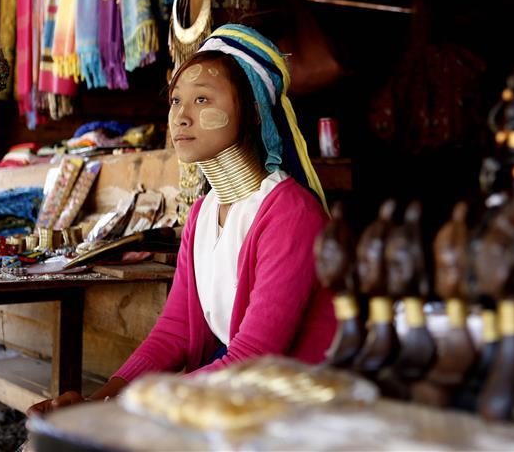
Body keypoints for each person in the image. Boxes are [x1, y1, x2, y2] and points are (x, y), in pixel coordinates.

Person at [28, 24, 336, 414]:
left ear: (255, 111)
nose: (181, 117)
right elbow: (176, 328)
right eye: (175, 101)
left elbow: (254, 358)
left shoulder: (290, 214)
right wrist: (101, 399)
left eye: (202, 99)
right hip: (242, 391)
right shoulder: (204, 213)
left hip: (306, 404)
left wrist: (124, 408)